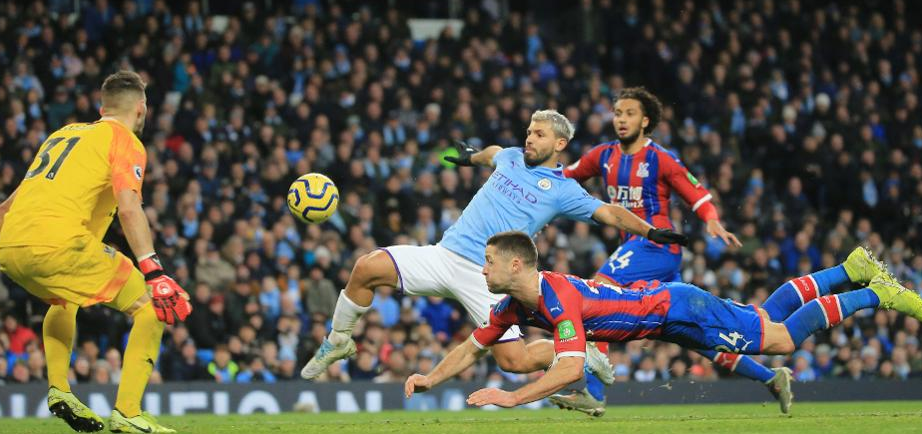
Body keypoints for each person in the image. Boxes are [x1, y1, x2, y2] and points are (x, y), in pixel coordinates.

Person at [300, 109, 687, 380]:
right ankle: (338, 342)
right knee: (367, 267)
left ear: (560, 143)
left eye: (539, 134)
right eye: (529, 131)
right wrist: (471, 159)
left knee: (513, 362)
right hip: (444, 255)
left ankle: (580, 348)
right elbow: (492, 154)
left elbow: (609, 213)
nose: (529, 138)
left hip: (489, 279)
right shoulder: (512, 157)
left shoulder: (564, 190)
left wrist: (649, 231)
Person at [404, 231, 921, 410]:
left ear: (516, 265)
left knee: (780, 339)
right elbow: (474, 346)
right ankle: (848, 268)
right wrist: (431, 375)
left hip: (679, 309)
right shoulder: (515, 306)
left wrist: (511, 398)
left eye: (489, 262)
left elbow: (567, 369)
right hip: (668, 317)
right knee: (764, 317)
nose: (483, 269)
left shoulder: (556, 299)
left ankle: (876, 292)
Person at [554, 86, 772, 415]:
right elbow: (565, 176)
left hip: (656, 245)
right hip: (636, 250)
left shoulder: (661, 158)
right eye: (617, 113)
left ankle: (594, 393)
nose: (621, 119)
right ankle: (771, 377)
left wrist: (711, 220)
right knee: (693, 336)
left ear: (645, 121)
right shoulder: (603, 156)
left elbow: (695, 193)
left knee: (595, 294)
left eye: (629, 114)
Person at [0, 71, 191, 433]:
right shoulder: (125, 141)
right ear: (141, 108)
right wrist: (154, 271)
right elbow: (129, 206)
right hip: (57, 243)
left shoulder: (64, 134)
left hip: (9, 246)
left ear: (101, 107)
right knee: (152, 306)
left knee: (63, 300)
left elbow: (9, 205)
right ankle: (128, 412)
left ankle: (59, 390)